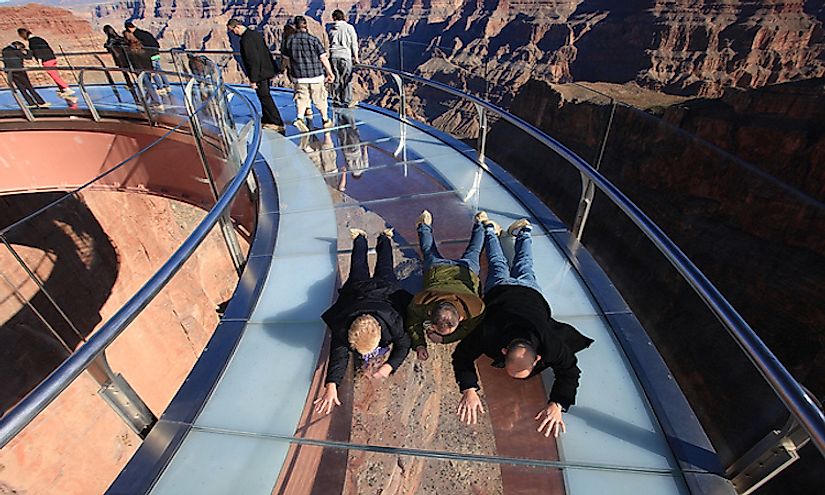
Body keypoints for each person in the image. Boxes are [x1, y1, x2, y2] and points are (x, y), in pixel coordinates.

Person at [452, 218, 594, 438]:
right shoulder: (496, 334)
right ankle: (495, 230)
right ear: (536, 358)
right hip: (507, 292)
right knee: (501, 264)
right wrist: (469, 389)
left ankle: (520, 232)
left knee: (520, 265)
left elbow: (570, 371)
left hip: (525, 293)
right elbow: (569, 371)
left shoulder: (544, 340)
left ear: (505, 351)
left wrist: (558, 403)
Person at [315, 229, 413, 414]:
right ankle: (363, 238)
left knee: (379, 266)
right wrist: (331, 384)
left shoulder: (394, 322)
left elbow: (404, 344)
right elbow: (339, 353)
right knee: (362, 266)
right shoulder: (344, 326)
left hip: (384, 290)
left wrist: (388, 367)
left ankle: (381, 238)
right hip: (357, 292)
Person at [406, 210, 486, 361]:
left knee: (474, 251)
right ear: (460, 318)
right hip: (438, 269)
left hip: (467, 271)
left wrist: (422, 344)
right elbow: (412, 323)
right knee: (429, 251)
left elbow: (412, 322)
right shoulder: (422, 301)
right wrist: (423, 343)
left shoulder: (476, 309)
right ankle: (424, 225)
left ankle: (480, 223)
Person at [227, 18, 285, 132]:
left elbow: (252, 60)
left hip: (259, 74)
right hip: (266, 70)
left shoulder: (246, 40)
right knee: (263, 96)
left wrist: (253, 79)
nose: (233, 34)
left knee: (265, 98)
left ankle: (277, 122)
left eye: (232, 31)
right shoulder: (255, 34)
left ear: (237, 27)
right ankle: (267, 119)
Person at [282, 15, 335, 132]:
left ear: (295, 26)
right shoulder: (313, 39)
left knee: (301, 98)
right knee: (320, 98)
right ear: (306, 26)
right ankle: (325, 120)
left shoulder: (289, 41)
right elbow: (323, 58)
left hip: (299, 77)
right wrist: (330, 73)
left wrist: (285, 71)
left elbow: (285, 60)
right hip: (316, 76)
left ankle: (300, 119)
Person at [16, 28, 73, 96]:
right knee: (55, 74)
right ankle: (62, 89)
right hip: (52, 58)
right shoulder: (39, 39)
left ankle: (67, 89)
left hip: (46, 60)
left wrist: (39, 62)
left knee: (54, 75)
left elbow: (37, 52)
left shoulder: (32, 41)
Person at [124, 20, 170, 94]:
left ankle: (160, 87)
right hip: (156, 52)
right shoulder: (143, 32)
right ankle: (167, 85)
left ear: (129, 28)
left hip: (151, 54)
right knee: (159, 69)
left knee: (153, 70)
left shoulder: (137, 35)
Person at [326, 9, 359, 107]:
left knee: (336, 79)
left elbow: (329, 44)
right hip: (345, 56)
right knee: (346, 79)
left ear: (334, 18)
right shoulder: (349, 28)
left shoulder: (331, 30)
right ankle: (347, 101)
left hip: (333, 57)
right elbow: (354, 43)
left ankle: (336, 100)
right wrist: (356, 57)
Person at [123, 30, 163, 110]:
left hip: (140, 69)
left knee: (148, 85)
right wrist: (151, 69)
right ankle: (151, 100)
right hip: (147, 67)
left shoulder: (130, 48)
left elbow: (133, 61)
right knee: (148, 85)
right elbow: (147, 57)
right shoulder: (141, 44)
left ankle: (157, 102)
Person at [2, 41, 49, 108]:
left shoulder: (4, 50)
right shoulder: (16, 51)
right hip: (19, 70)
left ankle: (31, 103)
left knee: (22, 89)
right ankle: (40, 102)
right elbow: (28, 57)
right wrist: (28, 51)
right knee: (29, 87)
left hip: (10, 72)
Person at [102, 25, 136, 95]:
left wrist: (105, 45)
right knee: (133, 70)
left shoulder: (110, 39)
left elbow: (109, 46)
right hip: (126, 56)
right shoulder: (120, 38)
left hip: (119, 58)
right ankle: (141, 82)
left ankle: (130, 84)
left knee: (125, 72)